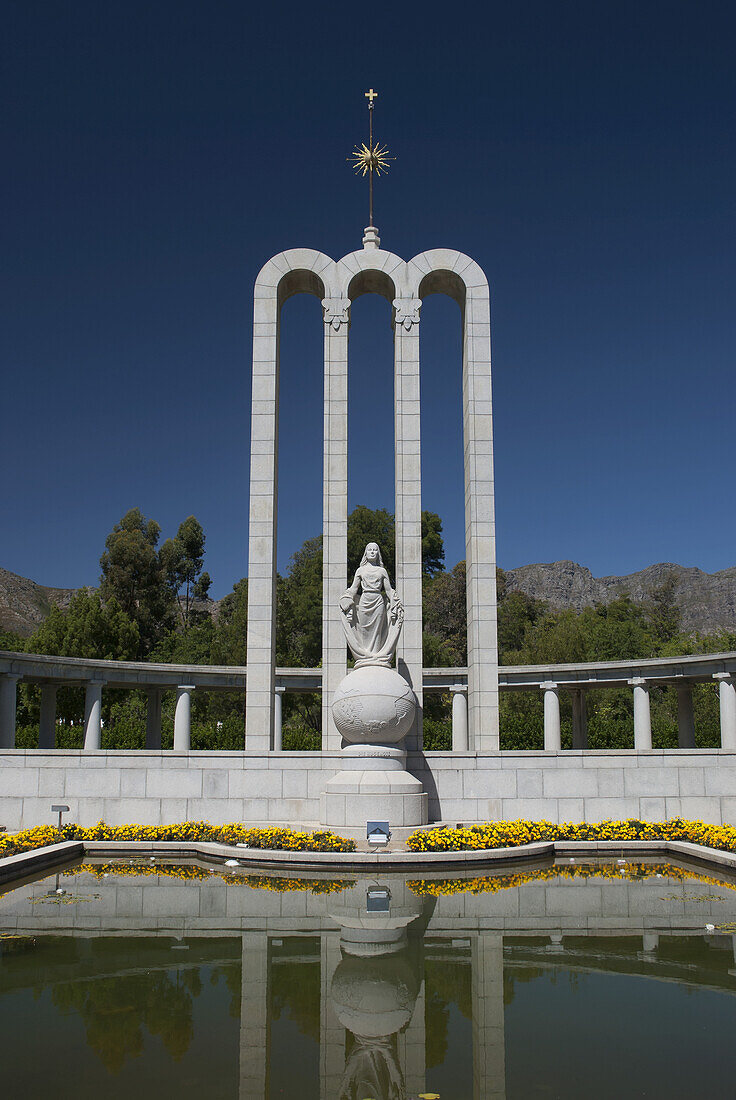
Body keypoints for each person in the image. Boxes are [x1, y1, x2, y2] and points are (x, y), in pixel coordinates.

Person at [339, 542, 403, 664]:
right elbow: (353, 589)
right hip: (364, 601)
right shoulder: (360, 570)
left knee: (377, 631)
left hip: (378, 601)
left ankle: (376, 656)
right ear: (366, 553)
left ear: (378, 553)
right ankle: (365, 656)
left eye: (375, 550)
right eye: (370, 550)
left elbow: (388, 590)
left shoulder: (382, 571)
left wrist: (395, 601)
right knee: (364, 630)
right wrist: (346, 597)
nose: (372, 552)